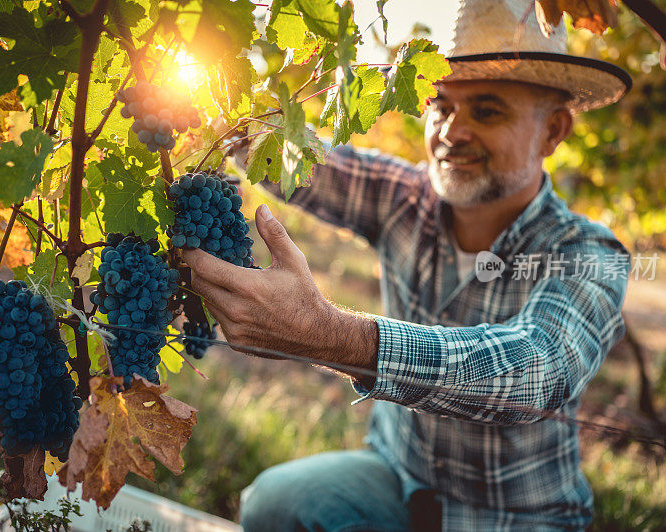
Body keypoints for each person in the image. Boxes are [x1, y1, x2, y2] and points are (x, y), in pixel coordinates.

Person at [181, 0, 633, 530]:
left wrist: (330, 335)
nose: (451, 131)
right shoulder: (404, 197)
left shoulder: (588, 253)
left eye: (487, 111)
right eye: (441, 106)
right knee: (274, 503)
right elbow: (295, 158)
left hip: (515, 516)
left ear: (554, 131)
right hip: (396, 477)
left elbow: (537, 371)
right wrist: (207, 112)